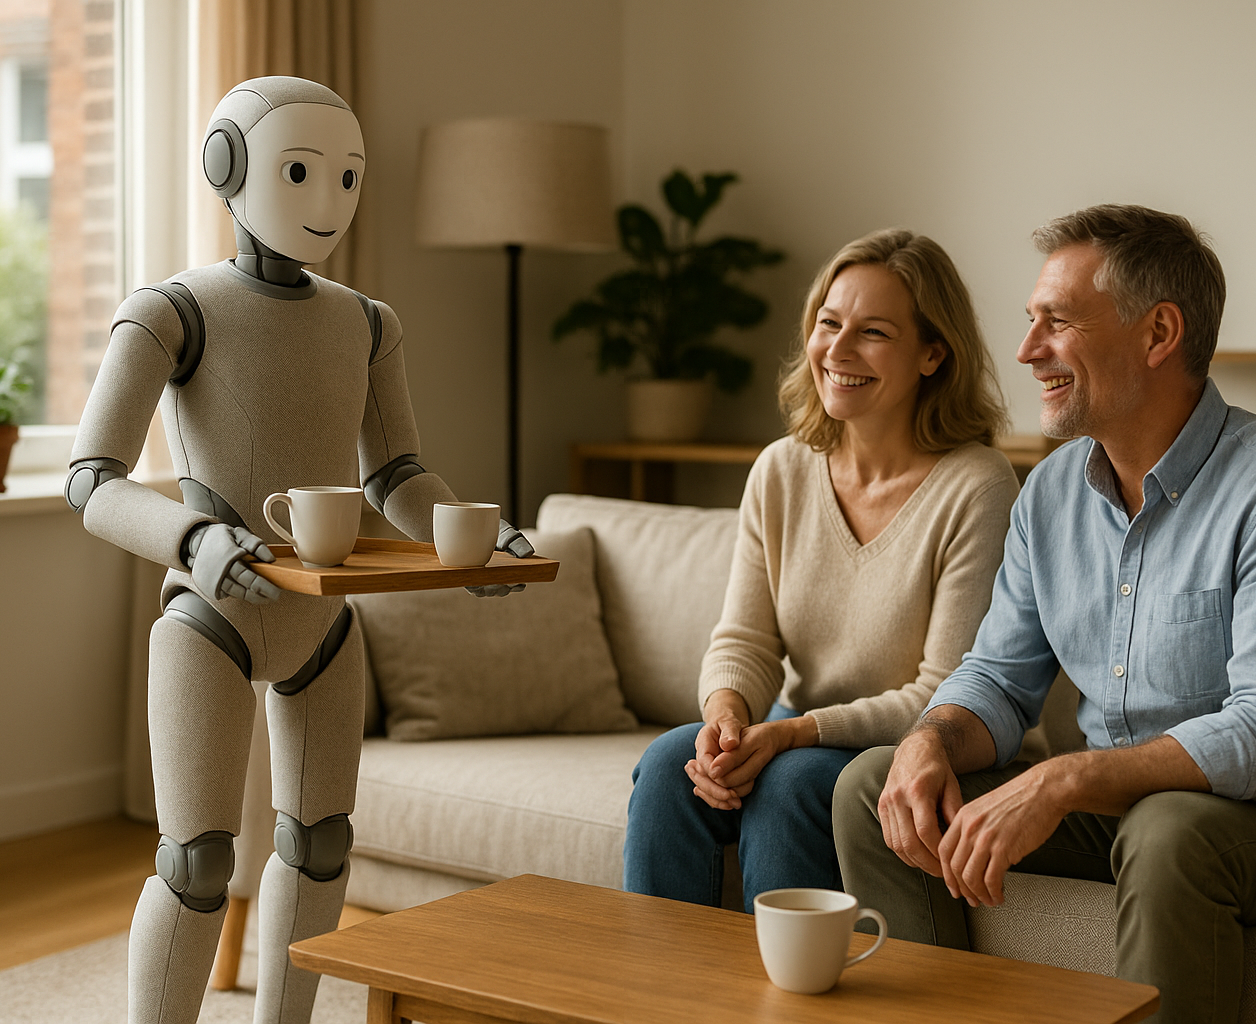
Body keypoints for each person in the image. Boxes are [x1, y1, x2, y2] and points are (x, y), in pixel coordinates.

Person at [832, 205, 1256, 1024]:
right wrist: (929, 737)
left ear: (1159, 333)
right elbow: (997, 676)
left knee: (1167, 832)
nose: (1027, 351)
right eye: (1030, 323)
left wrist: (1066, 778)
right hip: (1128, 808)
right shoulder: (1050, 494)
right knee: (871, 784)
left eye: (1056, 323)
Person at [66, 78, 531, 1024]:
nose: (328, 200)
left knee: (321, 843)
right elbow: (89, 479)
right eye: (300, 171)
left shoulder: (367, 322)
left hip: (323, 623)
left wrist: (478, 542)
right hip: (211, 619)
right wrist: (192, 540)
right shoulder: (171, 311)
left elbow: (396, 474)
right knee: (197, 862)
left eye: (348, 175)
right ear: (226, 168)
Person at [623, 228, 1019, 912]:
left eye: (872, 333)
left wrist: (790, 732)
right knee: (670, 766)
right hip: (795, 729)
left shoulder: (979, 487)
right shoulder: (781, 470)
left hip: (917, 747)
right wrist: (726, 719)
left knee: (793, 781)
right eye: (828, 324)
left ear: (933, 353)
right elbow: (744, 641)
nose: (837, 350)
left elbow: (943, 692)